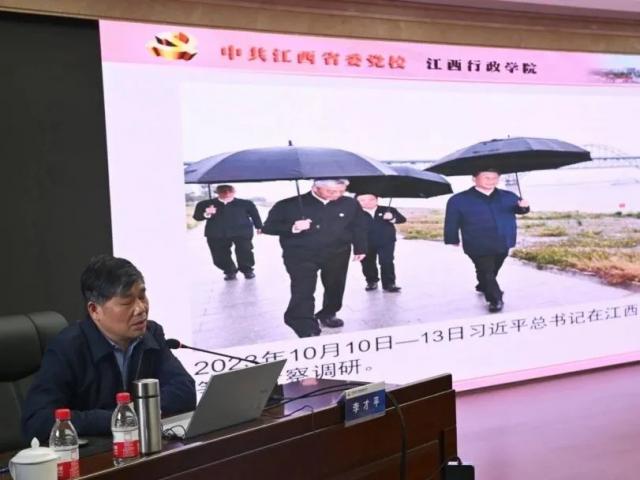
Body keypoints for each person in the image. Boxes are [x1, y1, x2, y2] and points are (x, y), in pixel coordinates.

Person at [22, 254, 196, 441]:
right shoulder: (68, 348)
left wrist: (136, 413)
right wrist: (117, 419)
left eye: (142, 296)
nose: (141, 308)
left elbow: (185, 390)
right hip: (93, 454)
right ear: (95, 310)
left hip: (141, 448)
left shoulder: (151, 334)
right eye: (127, 302)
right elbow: (37, 420)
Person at [262, 179, 368, 337]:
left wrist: (360, 247)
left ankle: (328, 313)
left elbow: (358, 226)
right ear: (316, 188)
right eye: (331, 191)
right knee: (303, 289)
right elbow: (268, 227)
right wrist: (293, 227)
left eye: (341, 191)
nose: (337, 195)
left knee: (335, 286)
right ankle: (303, 322)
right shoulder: (288, 205)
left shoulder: (350, 203)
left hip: (338, 253)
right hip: (300, 254)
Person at [444, 169, 530, 313]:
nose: (491, 181)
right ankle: (495, 299)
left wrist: (524, 207)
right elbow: (451, 221)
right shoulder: (458, 200)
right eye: (487, 178)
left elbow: (519, 210)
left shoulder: (508, 196)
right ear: (474, 179)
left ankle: (483, 284)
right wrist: (452, 238)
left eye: (495, 178)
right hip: (476, 241)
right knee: (486, 270)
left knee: (493, 268)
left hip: (503, 240)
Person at [193, 185, 263, 280]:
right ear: (217, 192)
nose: (227, 193)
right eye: (223, 191)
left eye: (230, 190)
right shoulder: (204, 204)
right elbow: (197, 217)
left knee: (245, 250)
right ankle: (229, 271)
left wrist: (259, 227)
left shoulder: (246, 203)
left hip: (241, 231)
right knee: (219, 254)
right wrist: (207, 213)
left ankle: (247, 270)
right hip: (216, 233)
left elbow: (255, 215)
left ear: (234, 191)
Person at [356, 194, 406, 292]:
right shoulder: (354, 213)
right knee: (367, 263)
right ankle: (371, 281)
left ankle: (389, 284)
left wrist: (392, 218)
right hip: (365, 242)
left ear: (377, 200)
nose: (367, 202)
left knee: (386, 261)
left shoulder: (388, 209)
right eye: (362, 200)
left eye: (371, 199)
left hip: (386, 241)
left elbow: (402, 219)